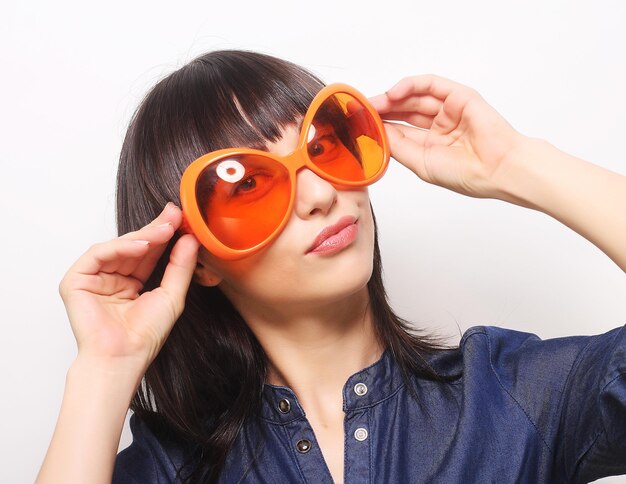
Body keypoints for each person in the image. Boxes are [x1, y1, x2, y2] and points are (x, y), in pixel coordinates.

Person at [37, 50, 626, 484]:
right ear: (199, 256)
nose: (319, 193)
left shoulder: (505, 396)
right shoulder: (174, 467)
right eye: (248, 187)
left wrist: (518, 165)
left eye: (322, 144)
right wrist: (104, 370)